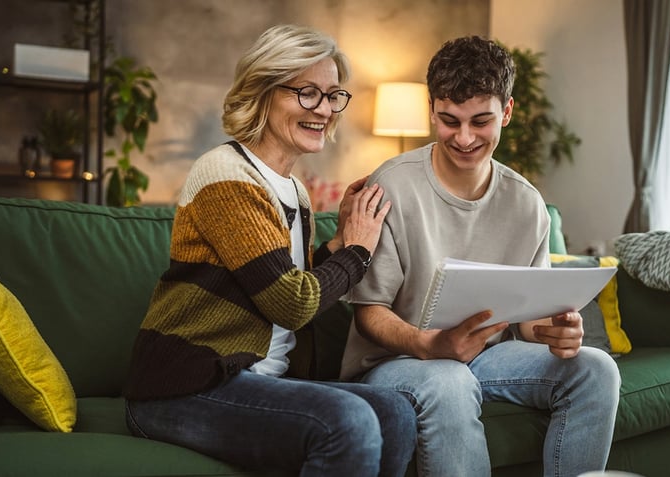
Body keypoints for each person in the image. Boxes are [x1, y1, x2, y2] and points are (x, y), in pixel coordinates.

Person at [123, 24, 416, 477]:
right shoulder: (225, 174)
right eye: (307, 93)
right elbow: (292, 302)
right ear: (262, 92)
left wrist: (337, 242)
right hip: (185, 388)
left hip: (258, 383)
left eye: (334, 95)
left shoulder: (294, 189)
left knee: (395, 412)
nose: (324, 109)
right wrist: (355, 252)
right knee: (348, 421)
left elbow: (285, 278)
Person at [340, 36, 621, 477]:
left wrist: (554, 330)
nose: (465, 138)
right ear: (431, 109)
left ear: (506, 112)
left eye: (481, 121)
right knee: (449, 380)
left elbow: (527, 320)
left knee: (596, 369)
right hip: (397, 364)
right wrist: (430, 345)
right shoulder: (391, 187)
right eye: (449, 121)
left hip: (487, 358)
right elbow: (368, 313)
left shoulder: (527, 204)